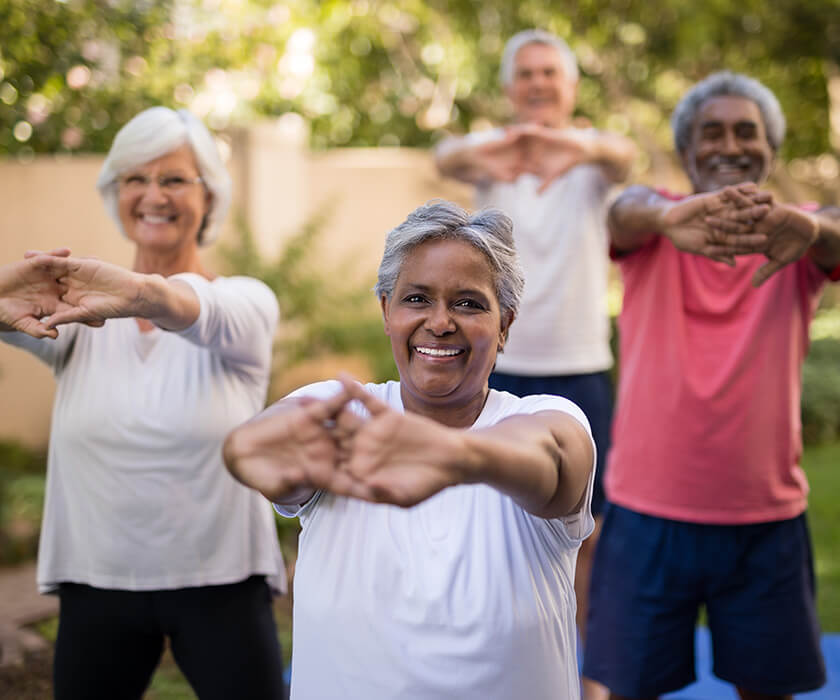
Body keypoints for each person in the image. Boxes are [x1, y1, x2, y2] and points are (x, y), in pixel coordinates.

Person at [223, 200, 597, 700]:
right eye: (417, 299)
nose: (440, 323)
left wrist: (454, 457)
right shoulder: (336, 409)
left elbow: (549, 460)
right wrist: (271, 455)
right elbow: (250, 451)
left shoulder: (545, 418)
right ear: (386, 311)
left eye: (468, 303)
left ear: (505, 324)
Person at [0, 107, 287, 699]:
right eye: (136, 178)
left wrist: (135, 292)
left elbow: (189, 308)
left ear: (209, 196)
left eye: (174, 179)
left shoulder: (243, 304)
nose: (153, 194)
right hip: (96, 581)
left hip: (221, 581)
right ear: (116, 192)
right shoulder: (75, 321)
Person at [583, 71, 840, 700]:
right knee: (619, 688)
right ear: (688, 151)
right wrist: (671, 217)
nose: (730, 145)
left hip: (765, 518)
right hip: (647, 514)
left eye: (746, 132)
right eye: (712, 133)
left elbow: (834, 223)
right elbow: (623, 209)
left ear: (770, 150)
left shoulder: (798, 232)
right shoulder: (656, 223)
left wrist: (814, 231)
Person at [435, 29, 636, 663]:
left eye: (551, 73)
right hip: (500, 367)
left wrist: (561, 144)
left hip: (579, 367)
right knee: (488, 521)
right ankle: (495, 657)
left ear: (571, 86)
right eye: (526, 74)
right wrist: (512, 145)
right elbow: (448, 155)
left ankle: (587, 666)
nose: (539, 85)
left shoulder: (592, 168)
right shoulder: (491, 163)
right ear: (508, 87)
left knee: (590, 534)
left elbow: (625, 155)